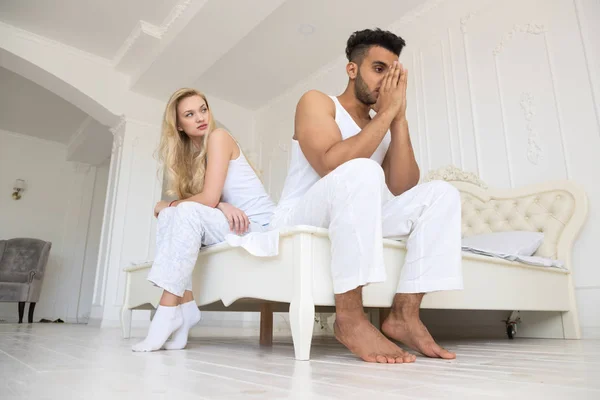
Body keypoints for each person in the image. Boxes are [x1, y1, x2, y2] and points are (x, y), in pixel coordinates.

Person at [270, 28, 463, 363]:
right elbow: (331, 163)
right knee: (363, 169)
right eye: (378, 69)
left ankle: (405, 313)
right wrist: (386, 115)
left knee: (441, 194)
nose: (385, 81)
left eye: (393, 73)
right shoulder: (317, 101)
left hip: (356, 214)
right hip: (302, 215)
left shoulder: (382, 123)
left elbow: (403, 186)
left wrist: (398, 117)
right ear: (352, 69)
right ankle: (349, 318)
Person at [132, 88, 276, 352]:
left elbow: (205, 200)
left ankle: (167, 312)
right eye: (190, 114)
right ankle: (186, 308)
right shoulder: (193, 156)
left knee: (175, 210)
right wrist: (220, 204)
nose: (200, 117)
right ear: (179, 125)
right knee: (172, 215)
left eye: (203, 109)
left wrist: (173, 203)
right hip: (233, 222)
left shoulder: (219, 137)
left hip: (259, 226)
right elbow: (210, 199)